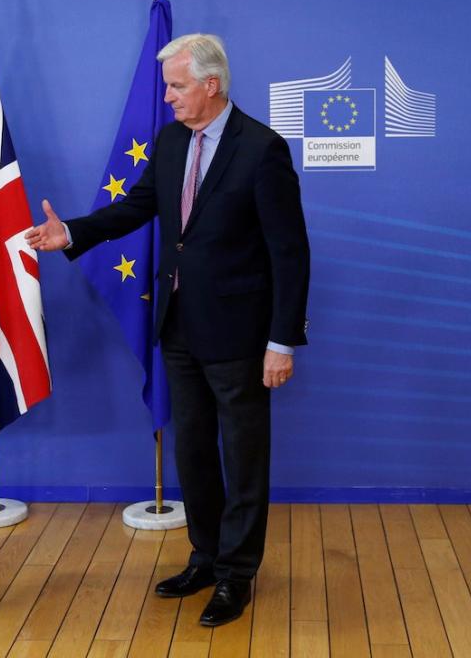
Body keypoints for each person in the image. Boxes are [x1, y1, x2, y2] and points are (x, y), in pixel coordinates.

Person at [26, 33, 310, 627]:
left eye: (177, 85)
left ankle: (236, 575)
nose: (169, 96)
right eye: (167, 85)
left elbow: (290, 253)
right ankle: (206, 557)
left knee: (244, 458)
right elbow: (136, 207)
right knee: (195, 453)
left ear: (212, 85)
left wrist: (280, 341)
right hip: (177, 328)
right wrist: (72, 233)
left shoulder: (262, 149)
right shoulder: (172, 139)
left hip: (240, 333)